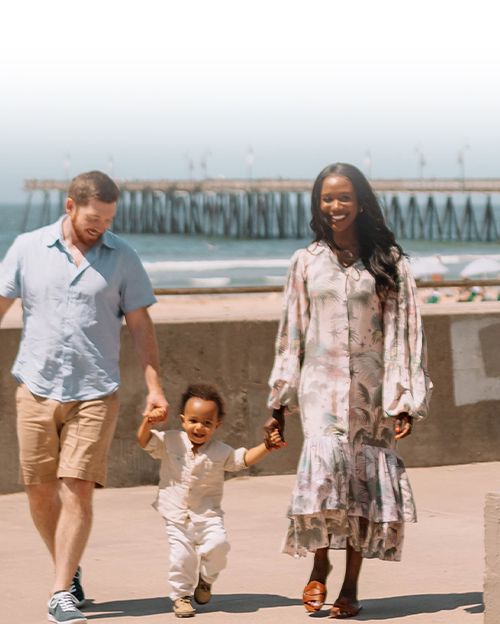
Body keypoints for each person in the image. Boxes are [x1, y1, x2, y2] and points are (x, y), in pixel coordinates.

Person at [264, 163, 432, 618]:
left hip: (372, 393)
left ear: (361, 203)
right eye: (326, 198)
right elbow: (291, 333)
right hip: (320, 392)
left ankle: (351, 586)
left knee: (362, 487)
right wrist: (279, 402)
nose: (334, 206)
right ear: (318, 204)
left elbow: (404, 333)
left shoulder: (390, 262)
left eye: (343, 198)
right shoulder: (305, 261)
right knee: (325, 482)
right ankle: (319, 567)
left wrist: (404, 399)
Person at [0, 171, 168, 624]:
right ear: (70, 206)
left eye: (109, 220)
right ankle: (69, 567)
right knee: (38, 492)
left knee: (77, 488)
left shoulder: (123, 257)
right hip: (35, 388)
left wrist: (154, 385)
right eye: (94, 219)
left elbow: (141, 327)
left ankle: (60, 592)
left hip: (95, 392)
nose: (101, 228)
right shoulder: (27, 248)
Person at [137, 382, 283, 618]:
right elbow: (144, 441)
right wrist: (148, 422)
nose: (199, 427)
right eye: (193, 421)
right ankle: (181, 597)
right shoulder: (170, 440)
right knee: (182, 556)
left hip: (207, 515)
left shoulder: (220, 451)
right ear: (183, 420)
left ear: (217, 425)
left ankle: (206, 579)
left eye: (207, 423)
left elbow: (242, 459)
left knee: (219, 545)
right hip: (175, 514)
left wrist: (267, 446)